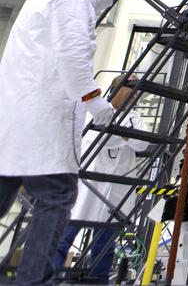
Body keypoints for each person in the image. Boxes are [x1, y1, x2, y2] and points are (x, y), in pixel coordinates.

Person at [0, 0, 134, 286]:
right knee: (57, 196)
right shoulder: (70, 1)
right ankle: (32, 281)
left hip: (16, 121)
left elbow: (88, 3)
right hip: (45, 121)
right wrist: (95, 101)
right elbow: (73, 55)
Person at [53, 76, 148, 283]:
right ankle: (49, 278)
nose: (134, 93)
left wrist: (123, 136)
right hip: (89, 184)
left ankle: (98, 281)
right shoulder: (94, 110)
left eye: (136, 89)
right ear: (115, 88)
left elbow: (142, 144)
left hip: (115, 189)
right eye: (130, 87)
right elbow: (98, 138)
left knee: (105, 244)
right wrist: (126, 137)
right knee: (65, 236)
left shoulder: (136, 118)